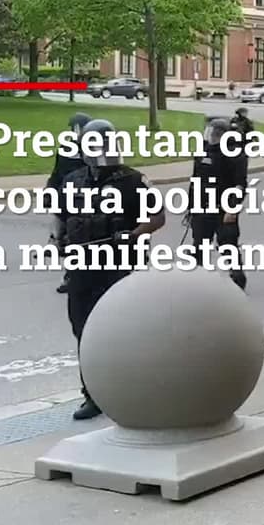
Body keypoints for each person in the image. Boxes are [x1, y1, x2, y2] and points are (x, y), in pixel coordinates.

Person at [59, 119, 164, 419]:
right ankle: (92, 394)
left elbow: (157, 216)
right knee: (83, 329)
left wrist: (134, 234)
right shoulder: (72, 180)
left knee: (122, 330)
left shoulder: (134, 180)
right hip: (82, 266)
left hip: (120, 266)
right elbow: (61, 216)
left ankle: (131, 387)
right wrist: (57, 240)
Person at [188, 116, 249, 290]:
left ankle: (237, 277)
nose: (211, 137)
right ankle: (198, 278)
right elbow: (195, 179)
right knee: (199, 244)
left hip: (224, 207)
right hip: (202, 206)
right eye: (210, 133)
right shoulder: (203, 151)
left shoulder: (235, 154)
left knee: (227, 243)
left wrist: (232, 209)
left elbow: (240, 184)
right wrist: (191, 206)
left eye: (215, 134)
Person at [47, 113, 91, 295]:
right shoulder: (66, 148)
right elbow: (57, 173)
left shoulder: (94, 148)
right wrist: (50, 189)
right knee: (66, 234)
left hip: (88, 198)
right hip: (68, 197)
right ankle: (69, 273)